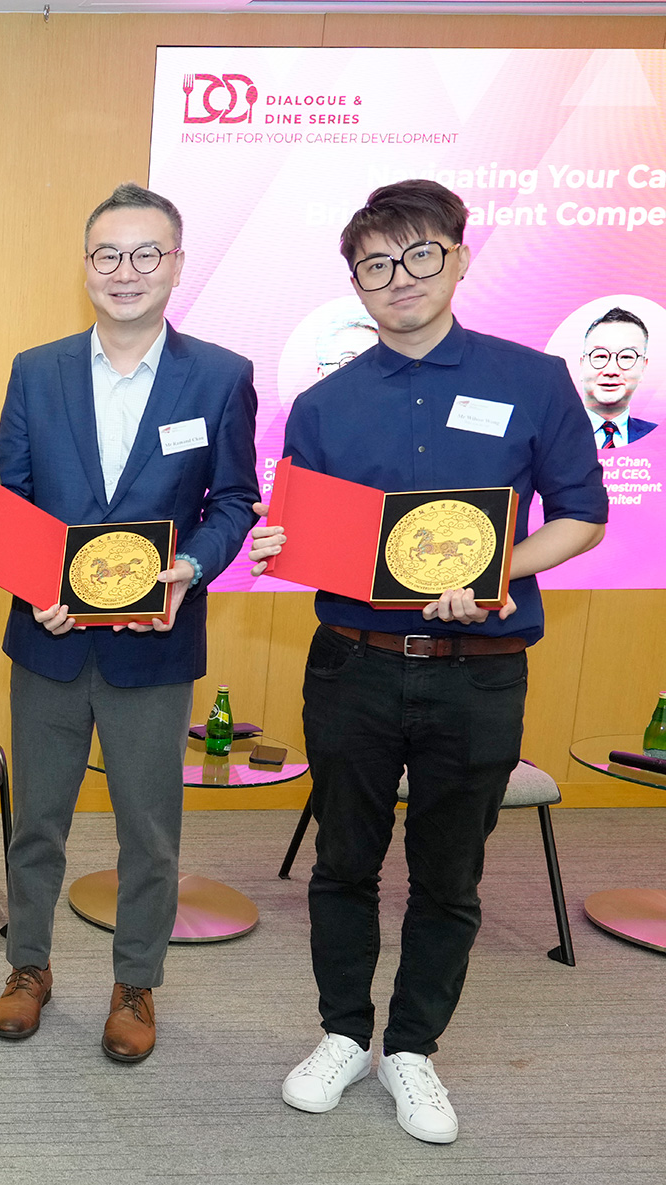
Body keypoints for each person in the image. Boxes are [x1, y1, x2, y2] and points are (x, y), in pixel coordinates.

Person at [250, 180, 606, 1144]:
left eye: (418, 256)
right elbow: (313, 536)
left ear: (458, 256)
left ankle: (412, 1047)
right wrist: (281, 545)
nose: (397, 278)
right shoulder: (321, 405)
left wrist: (499, 572)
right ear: (355, 282)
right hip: (352, 664)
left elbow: (582, 515)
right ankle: (339, 1032)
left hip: (479, 668)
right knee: (344, 865)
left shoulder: (532, 380)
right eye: (375, 264)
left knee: (450, 873)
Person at [0, 182, 258, 1065]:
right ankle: (29, 965)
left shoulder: (220, 376)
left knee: (150, 829)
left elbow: (235, 502)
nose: (126, 271)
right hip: (51, 639)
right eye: (109, 254)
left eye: (147, 254)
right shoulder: (37, 370)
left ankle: (135, 980)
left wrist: (191, 566)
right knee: (38, 822)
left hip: (156, 642)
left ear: (177, 265)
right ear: (87, 265)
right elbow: (10, 502)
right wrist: (34, 585)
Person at [575, 306, 655, 449]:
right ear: (582, 365)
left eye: (626, 356)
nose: (611, 371)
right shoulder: (550, 436)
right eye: (600, 356)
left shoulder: (658, 438)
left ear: (643, 367)